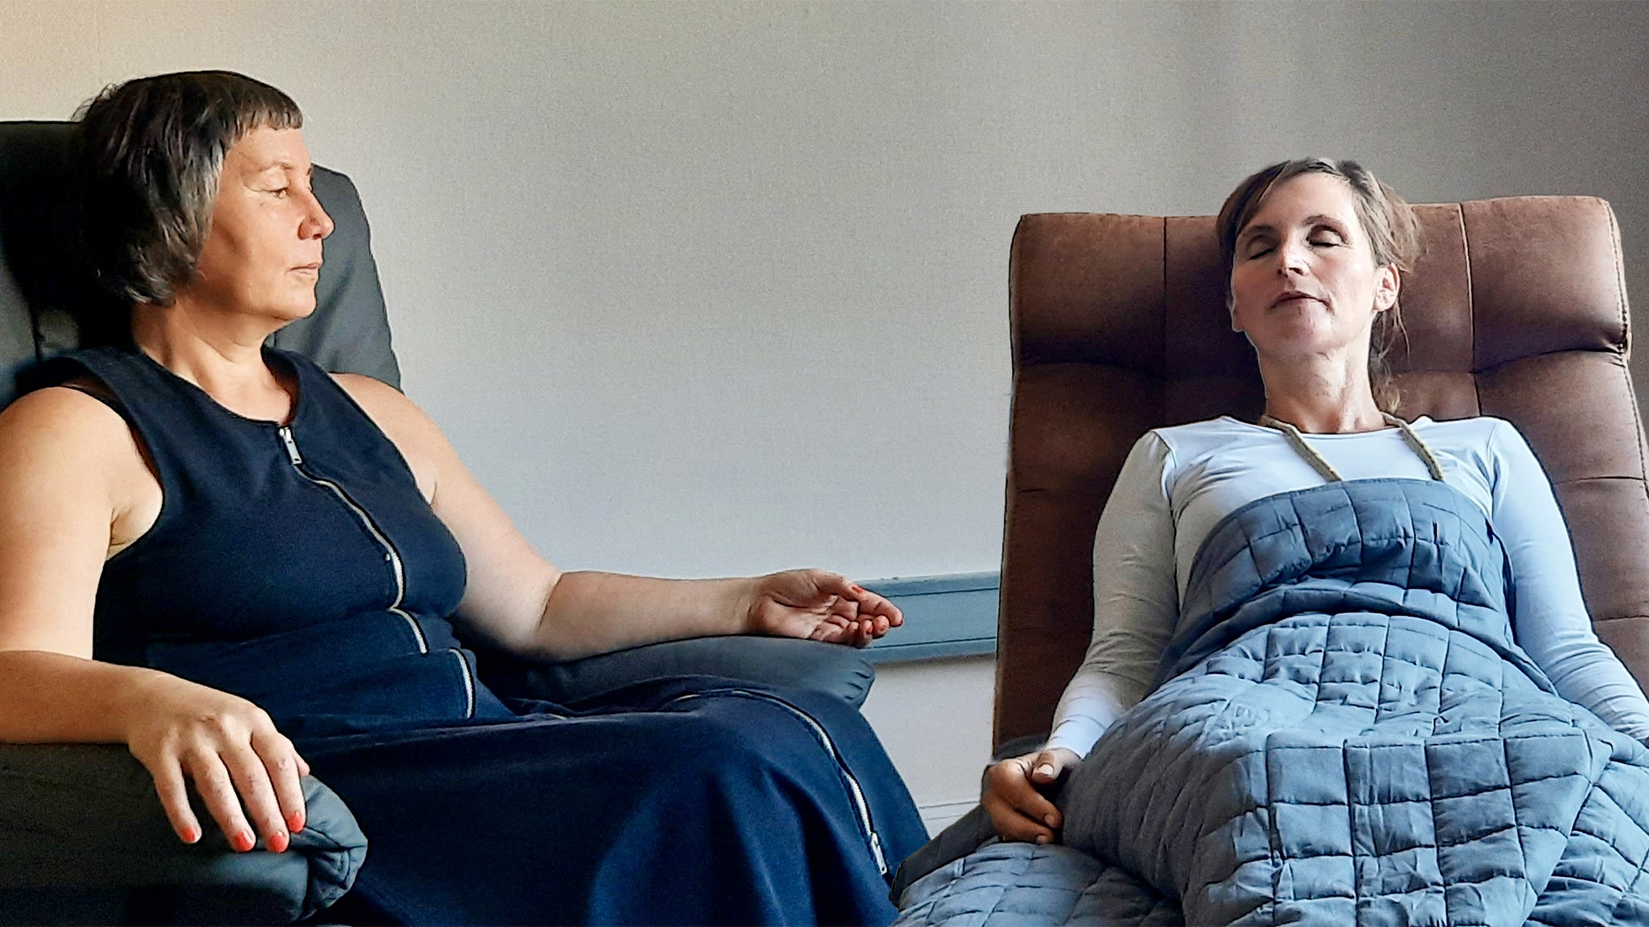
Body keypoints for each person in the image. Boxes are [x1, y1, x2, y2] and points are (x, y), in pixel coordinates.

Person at [0, 70, 926, 927]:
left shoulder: (372, 410)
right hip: (342, 786)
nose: (320, 221)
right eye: (278, 188)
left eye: (314, 187)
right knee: (716, 763)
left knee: (793, 722)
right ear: (167, 212)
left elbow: (539, 605)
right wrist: (149, 701)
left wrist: (746, 599)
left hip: (484, 742)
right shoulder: (81, 427)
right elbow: (13, 667)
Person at [980, 158, 1649, 918]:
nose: (1289, 261)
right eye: (1260, 247)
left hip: (1474, 712)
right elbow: (1124, 658)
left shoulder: (1485, 448)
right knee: (1254, 769)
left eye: (1323, 237)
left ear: (1385, 284)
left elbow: (1566, 649)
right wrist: (1060, 759)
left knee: (1562, 776)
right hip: (1238, 728)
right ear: (1234, 304)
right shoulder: (1175, 455)